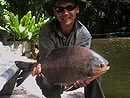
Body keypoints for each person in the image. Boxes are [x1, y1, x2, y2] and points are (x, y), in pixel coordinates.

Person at [32, 0, 105, 98]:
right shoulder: (46, 30)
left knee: (95, 75)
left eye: (70, 8)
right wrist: (38, 67)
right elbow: (46, 57)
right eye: (60, 9)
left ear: (77, 9)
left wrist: (83, 79)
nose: (65, 13)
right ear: (54, 11)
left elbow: (83, 64)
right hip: (52, 72)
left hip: (75, 75)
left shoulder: (84, 35)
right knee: (42, 77)